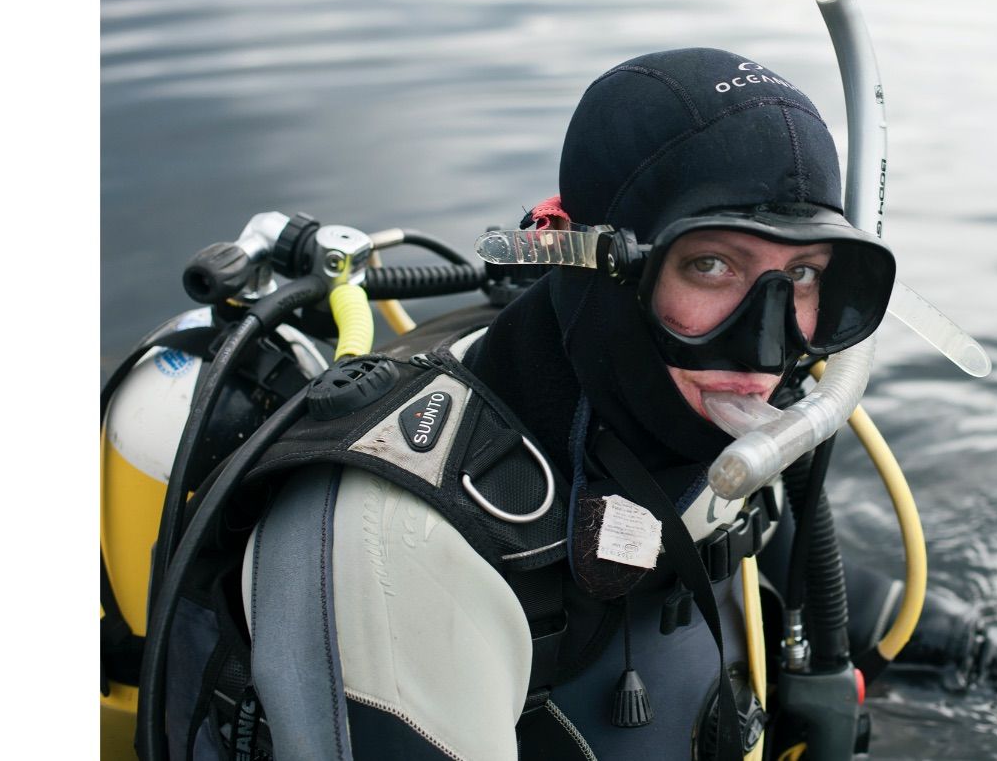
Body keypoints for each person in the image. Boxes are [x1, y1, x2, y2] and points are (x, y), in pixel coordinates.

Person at [217, 47, 899, 760]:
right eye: (710, 265)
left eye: (803, 273)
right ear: (590, 262)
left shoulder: (728, 407)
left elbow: (814, 588)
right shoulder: (403, 544)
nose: (766, 347)